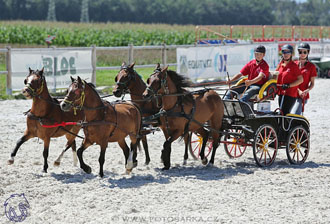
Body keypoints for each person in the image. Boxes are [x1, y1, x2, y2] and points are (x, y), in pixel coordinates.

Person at [276, 44, 303, 115]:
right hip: (281, 93)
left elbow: (300, 80)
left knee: (284, 113)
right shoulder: (280, 65)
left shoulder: (294, 66)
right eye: (284, 52)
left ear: (291, 54)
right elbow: (275, 76)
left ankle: (287, 126)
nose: (286, 54)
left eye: (288, 52)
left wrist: (289, 85)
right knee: (280, 113)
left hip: (290, 94)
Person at [290, 43, 317, 115]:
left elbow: (312, 83)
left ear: (308, 52)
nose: (302, 54)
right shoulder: (293, 64)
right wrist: (298, 90)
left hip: (302, 95)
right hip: (291, 93)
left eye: (304, 52)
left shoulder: (311, 66)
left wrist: (307, 90)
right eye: (300, 52)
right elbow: (290, 80)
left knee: (295, 114)